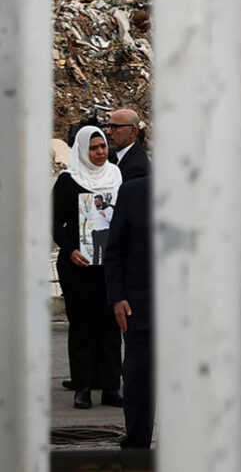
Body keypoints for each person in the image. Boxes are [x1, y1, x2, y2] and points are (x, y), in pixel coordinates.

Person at [52, 126, 124, 410]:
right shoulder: (69, 181)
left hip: (109, 265)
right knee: (82, 326)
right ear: (82, 149)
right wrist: (70, 250)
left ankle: (110, 387)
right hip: (79, 266)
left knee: (109, 325)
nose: (100, 152)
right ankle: (82, 387)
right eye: (93, 148)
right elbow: (55, 223)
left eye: (103, 146)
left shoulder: (116, 176)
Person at [104, 176, 154, 449]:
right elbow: (115, 251)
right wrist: (118, 297)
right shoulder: (133, 192)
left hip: (190, 312)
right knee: (138, 382)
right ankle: (137, 449)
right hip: (140, 308)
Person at [106, 109, 150, 181]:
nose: (108, 132)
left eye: (114, 127)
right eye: (108, 126)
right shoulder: (115, 155)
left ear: (132, 131)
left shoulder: (137, 169)